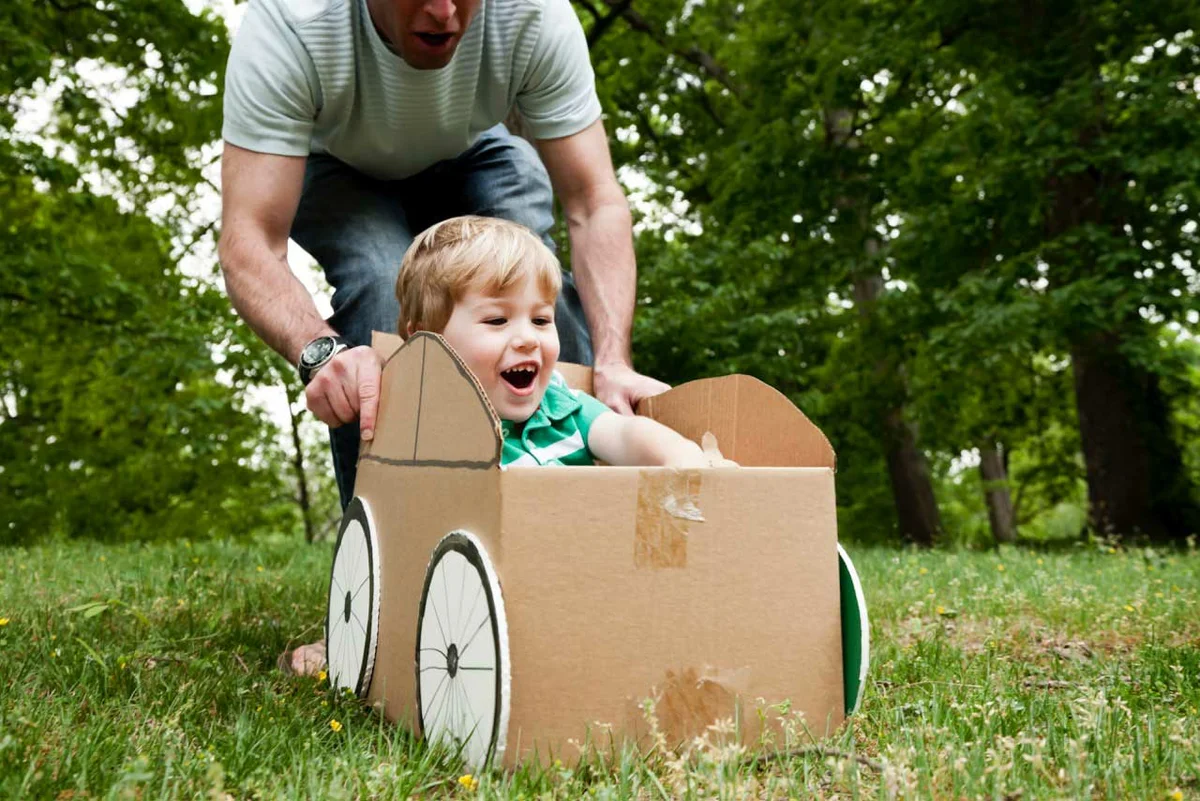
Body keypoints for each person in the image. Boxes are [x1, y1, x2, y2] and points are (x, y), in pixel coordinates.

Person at [217, 0, 670, 510]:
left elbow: (595, 202)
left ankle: (577, 520)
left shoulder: (534, 14)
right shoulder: (292, 24)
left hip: (474, 149)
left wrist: (613, 360)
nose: (442, 11)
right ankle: (389, 544)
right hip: (333, 163)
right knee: (381, 286)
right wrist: (324, 352)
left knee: (528, 286)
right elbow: (248, 239)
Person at [398, 216, 709, 467]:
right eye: (497, 320)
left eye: (541, 320)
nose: (527, 339)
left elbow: (626, 434)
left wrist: (680, 455)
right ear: (427, 342)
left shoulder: (561, 408)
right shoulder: (420, 422)